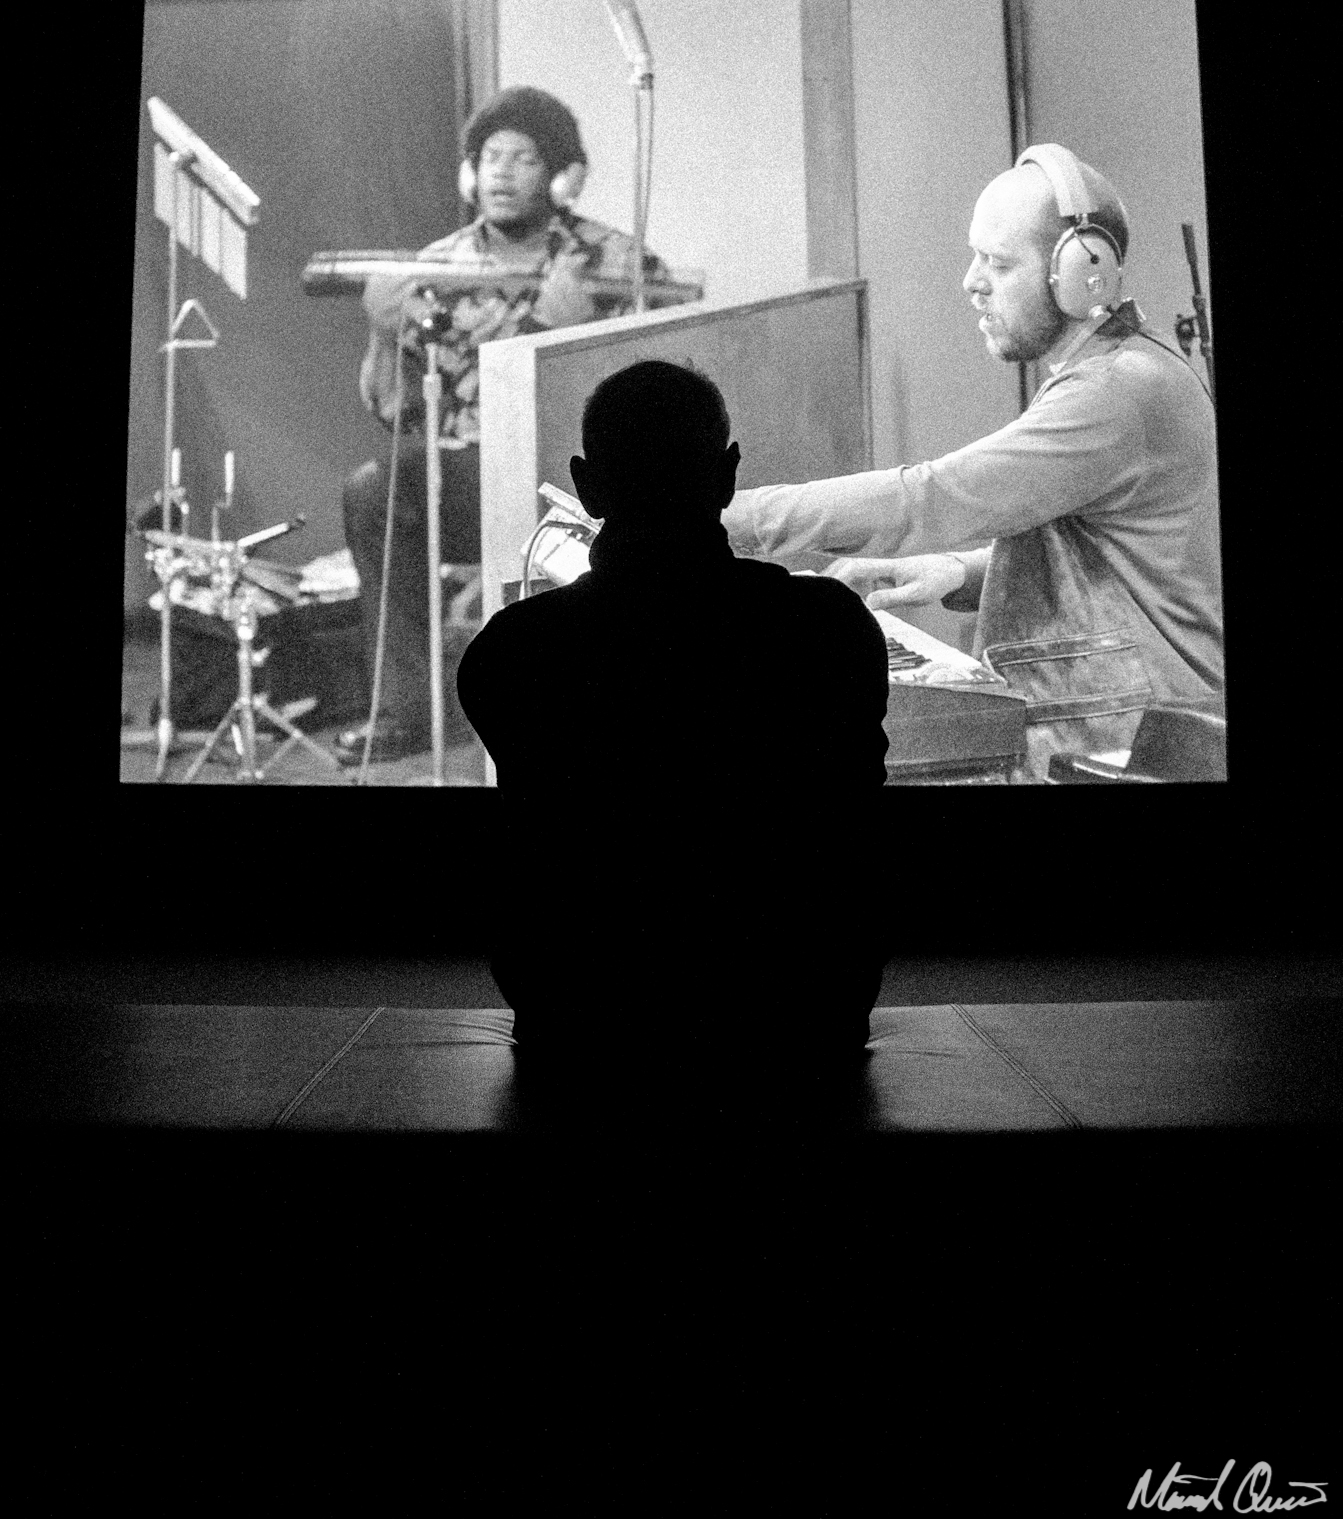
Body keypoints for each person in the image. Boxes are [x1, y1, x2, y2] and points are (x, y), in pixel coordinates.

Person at [723, 144, 1223, 781]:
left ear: (1081, 274)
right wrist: (959, 571)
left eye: (999, 263)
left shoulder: (1118, 392)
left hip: (1137, 751)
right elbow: (1119, 566)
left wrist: (721, 513)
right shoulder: (1114, 372)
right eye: (975, 256)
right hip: (1112, 730)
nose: (972, 281)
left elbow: (930, 496)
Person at [455, 360, 894, 1063]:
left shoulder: (511, 650)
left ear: (586, 486)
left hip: (582, 1016)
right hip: (802, 1010)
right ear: (727, 476)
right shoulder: (829, 625)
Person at [337, 87, 675, 765]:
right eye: (491, 157)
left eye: (523, 159)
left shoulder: (615, 261)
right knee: (373, 489)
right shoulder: (437, 265)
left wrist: (562, 331)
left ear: (560, 177)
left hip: (573, 475)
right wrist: (383, 330)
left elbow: (650, 394)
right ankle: (409, 709)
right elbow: (397, 412)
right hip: (463, 479)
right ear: (472, 172)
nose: (502, 173)